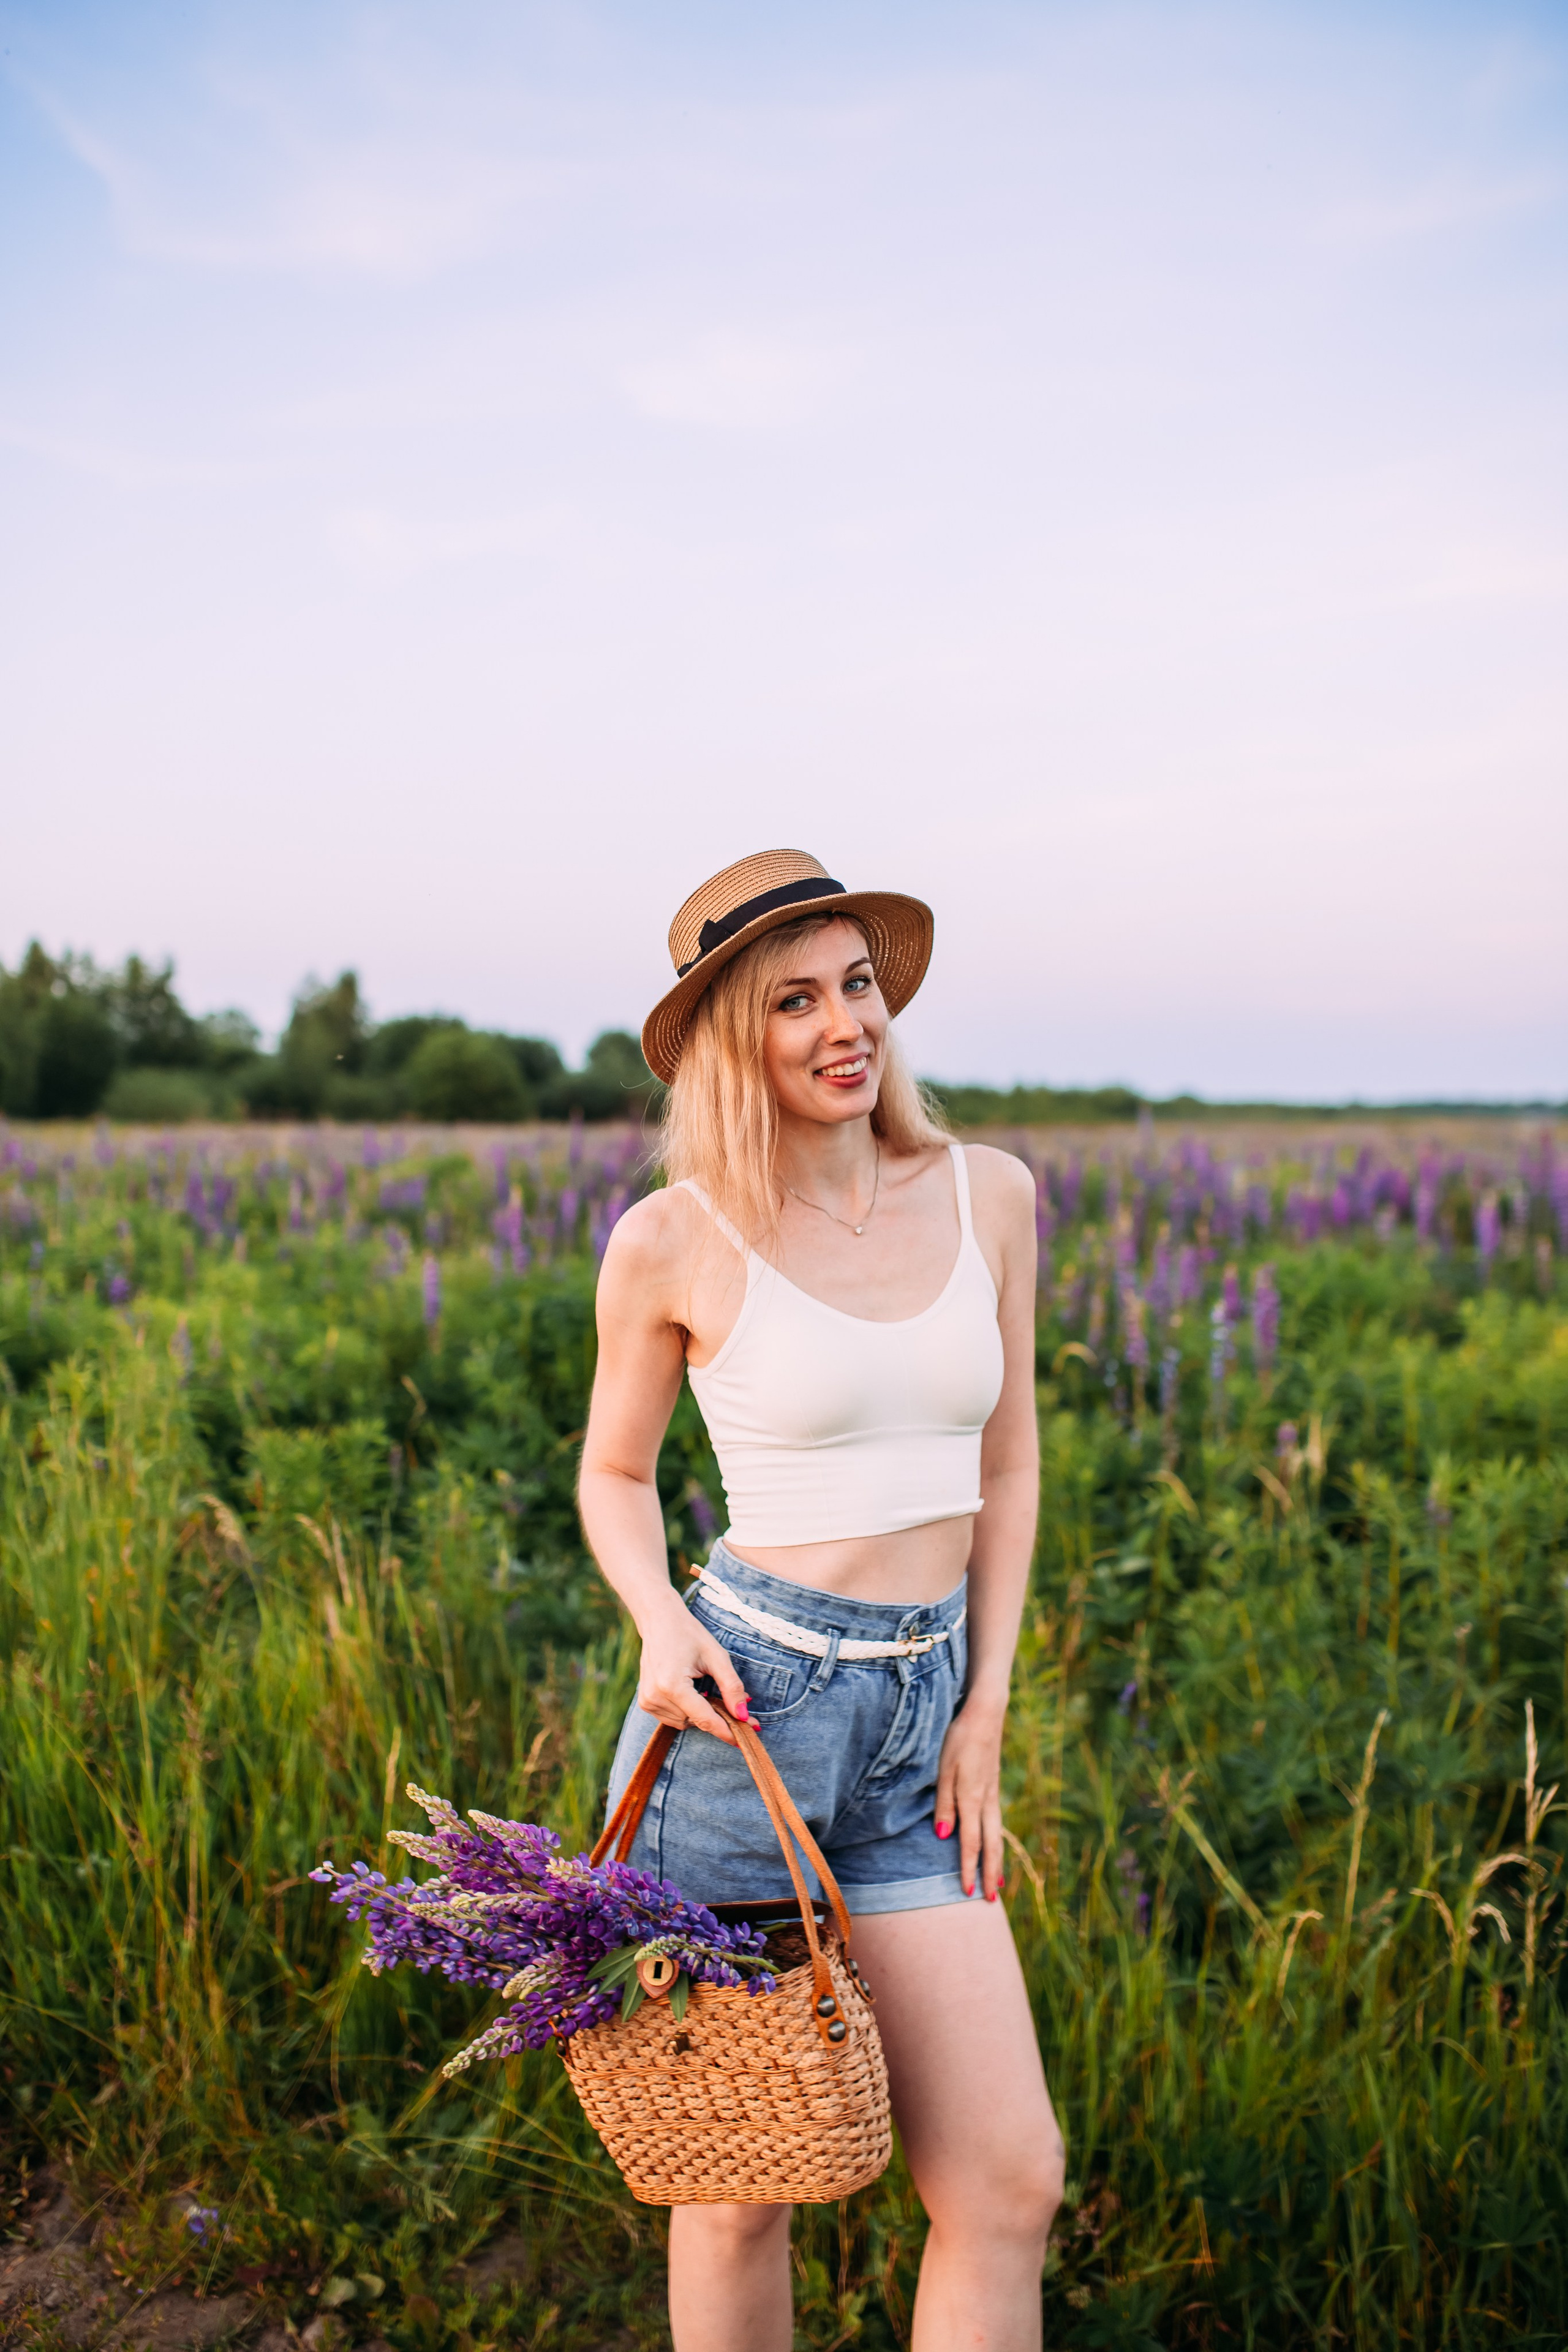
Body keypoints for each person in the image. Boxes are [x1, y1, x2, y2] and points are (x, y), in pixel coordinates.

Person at [578, 848, 1065, 2352]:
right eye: (793, 1000)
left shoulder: (987, 1195)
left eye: (856, 984)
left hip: (921, 1721)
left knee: (1005, 2178)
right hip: (746, 1720)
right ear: (735, 1036)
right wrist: (662, 1626)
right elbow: (612, 1474)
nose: (841, 1023)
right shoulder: (674, 1235)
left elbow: (1011, 1462)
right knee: (735, 2184)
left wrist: (983, 1705)